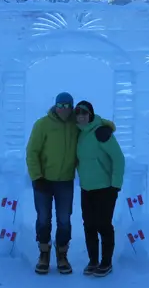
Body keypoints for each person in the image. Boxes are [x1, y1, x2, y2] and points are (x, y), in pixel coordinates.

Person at [25, 92, 115, 275]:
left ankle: (62, 255)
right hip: (43, 181)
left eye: (67, 106)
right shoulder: (42, 125)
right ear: (55, 106)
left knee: (64, 221)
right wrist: (36, 177)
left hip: (65, 182)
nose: (64, 109)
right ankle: (43, 254)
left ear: (72, 108)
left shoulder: (76, 125)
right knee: (43, 219)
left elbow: (93, 121)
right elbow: (31, 152)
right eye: (61, 105)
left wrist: (108, 126)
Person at [74, 100, 125, 277]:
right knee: (89, 225)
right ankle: (93, 261)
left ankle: (106, 262)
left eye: (85, 113)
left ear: (91, 114)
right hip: (86, 188)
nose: (81, 116)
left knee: (103, 225)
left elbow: (118, 159)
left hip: (105, 188)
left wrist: (115, 185)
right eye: (78, 113)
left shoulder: (101, 132)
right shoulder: (79, 134)